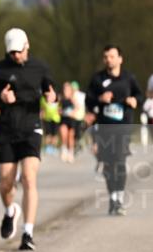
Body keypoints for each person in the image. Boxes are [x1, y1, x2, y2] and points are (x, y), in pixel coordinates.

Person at [0, 28, 57, 251]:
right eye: (11, 53)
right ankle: (10, 210)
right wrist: (0, 97)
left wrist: (52, 96)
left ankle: (28, 232)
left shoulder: (39, 67)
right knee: (5, 182)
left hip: (31, 128)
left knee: (29, 178)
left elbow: (50, 90)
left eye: (19, 52)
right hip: (6, 130)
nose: (16, 56)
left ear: (27, 46)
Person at [85, 45, 143, 215]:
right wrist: (99, 99)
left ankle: (119, 196)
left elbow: (139, 95)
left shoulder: (129, 78)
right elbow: (88, 102)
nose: (108, 60)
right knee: (109, 164)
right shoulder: (97, 79)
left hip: (123, 126)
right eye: (106, 57)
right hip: (104, 128)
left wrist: (134, 101)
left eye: (112, 56)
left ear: (120, 59)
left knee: (120, 160)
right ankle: (113, 197)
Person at [58, 81, 81, 162]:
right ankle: (64, 149)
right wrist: (60, 111)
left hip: (71, 120)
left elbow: (78, 107)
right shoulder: (61, 98)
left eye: (67, 89)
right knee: (63, 134)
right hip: (63, 119)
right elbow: (57, 108)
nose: (66, 90)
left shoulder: (72, 98)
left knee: (70, 137)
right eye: (64, 89)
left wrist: (73, 112)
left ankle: (70, 153)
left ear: (70, 90)